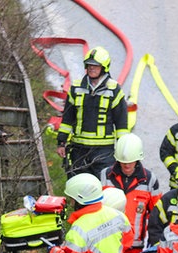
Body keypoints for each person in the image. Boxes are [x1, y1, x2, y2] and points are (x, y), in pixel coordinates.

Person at [55, 47, 128, 178]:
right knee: (79, 187)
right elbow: (67, 119)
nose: (91, 68)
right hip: (79, 149)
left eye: (95, 65)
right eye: (89, 65)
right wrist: (61, 142)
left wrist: (123, 151)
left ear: (104, 67)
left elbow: (121, 124)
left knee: (106, 188)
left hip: (104, 152)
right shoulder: (76, 88)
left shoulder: (114, 89)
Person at [100, 132, 160, 253]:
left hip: (135, 248)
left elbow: (157, 215)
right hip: (106, 243)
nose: (127, 165)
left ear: (138, 159)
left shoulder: (149, 180)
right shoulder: (105, 176)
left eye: (131, 161)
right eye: (123, 162)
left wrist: (153, 244)